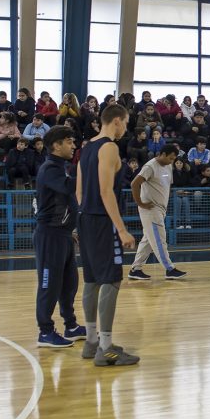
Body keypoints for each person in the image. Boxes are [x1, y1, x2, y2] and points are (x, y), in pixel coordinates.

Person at [75, 103, 139, 367]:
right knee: (111, 280)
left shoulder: (86, 147)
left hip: (86, 218)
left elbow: (79, 192)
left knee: (91, 280)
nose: (125, 128)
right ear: (115, 121)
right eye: (125, 122)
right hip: (103, 222)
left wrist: (82, 222)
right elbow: (105, 191)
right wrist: (121, 228)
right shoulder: (109, 147)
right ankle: (106, 348)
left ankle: (92, 341)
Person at [33, 126, 87, 348]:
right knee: (49, 285)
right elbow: (69, 187)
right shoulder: (50, 169)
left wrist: (73, 230)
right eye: (69, 141)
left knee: (69, 284)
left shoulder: (60, 168)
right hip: (50, 236)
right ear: (56, 145)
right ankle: (45, 332)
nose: (73, 145)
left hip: (64, 235)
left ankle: (71, 326)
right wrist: (89, 168)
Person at [128, 143, 187, 282]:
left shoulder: (168, 166)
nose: (172, 161)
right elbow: (134, 184)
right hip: (150, 209)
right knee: (160, 240)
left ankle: (135, 270)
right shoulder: (150, 166)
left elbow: (165, 185)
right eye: (171, 158)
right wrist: (140, 203)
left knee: (148, 240)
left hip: (161, 209)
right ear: (163, 154)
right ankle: (169, 269)